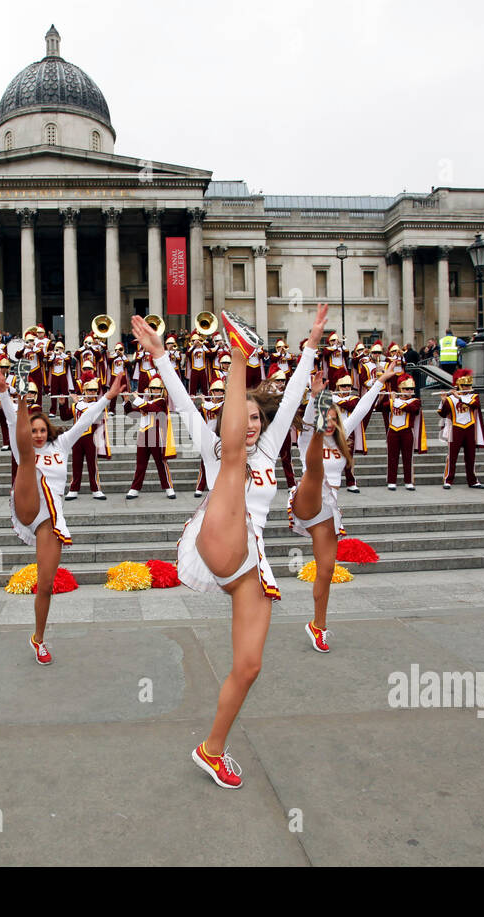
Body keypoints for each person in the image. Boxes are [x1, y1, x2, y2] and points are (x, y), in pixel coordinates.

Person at [132, 305, 324, 789]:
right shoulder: (216, 446)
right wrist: (159, 358)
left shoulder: (270, 446)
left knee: (249, 665)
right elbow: (180, 400)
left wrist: (312, 346)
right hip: (216, 535)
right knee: (233, 459)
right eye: (247, 416)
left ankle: (211, 748)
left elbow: (298, 389)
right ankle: (238, 354)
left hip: (250, 560)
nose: (253, 424)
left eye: (259, 417)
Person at [0, 358, 126, 665]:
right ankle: (21, 393)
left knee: (46, 584)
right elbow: (14, 423)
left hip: (50, 518)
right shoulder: (25, 443)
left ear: (47, 430)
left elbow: (84, 422)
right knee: (23, 454)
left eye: (40, 430)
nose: (36, 435)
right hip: (25, 501)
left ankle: (38, 638)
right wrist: (4, 393)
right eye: (32, 430)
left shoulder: (61, 445)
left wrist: (108, 397)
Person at [290, 360, 397, 652]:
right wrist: (314, 397)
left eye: (333, 418)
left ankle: (318, 626)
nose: (331, 422)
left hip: (329, 511)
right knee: (314, 471)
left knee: (325, 570)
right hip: (306, 498)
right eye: (325, 418)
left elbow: (361, 408)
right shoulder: (305, 437)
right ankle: (311, 483)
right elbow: (312, 420)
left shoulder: (341, 437)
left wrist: (380, 381)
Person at [125, 377, 176, 500]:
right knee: (140, 464)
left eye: (157, 388)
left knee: (161, 463)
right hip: (143, 434)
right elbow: (131, 413)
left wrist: (137, 398)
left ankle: (169, 487)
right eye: (153, 388)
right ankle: (135, 488)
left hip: (155, 435)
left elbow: (151, 409)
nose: (155, 390)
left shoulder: (161, 402)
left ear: (161, 390)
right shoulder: (145, 402)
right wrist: (127, 401)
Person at [438, 370, 484, 489]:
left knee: (471, 456)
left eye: (469, 385)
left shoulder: (474, 397)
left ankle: (473, 480)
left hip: (470, 427)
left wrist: (459, 397)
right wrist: (444, 400)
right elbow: (443, 414)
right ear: (459, 385)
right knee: (452, 455)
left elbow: (476, 406)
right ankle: (448, 480)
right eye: (465, 385)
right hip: (456, 428)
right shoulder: (451, 399)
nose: (468, 387)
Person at [379, 373, 426, 489]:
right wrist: (381, 398)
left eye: (411, 389)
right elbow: (379, 408)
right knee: (392, 457)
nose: (409, 391)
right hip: (393, 431)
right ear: (400, 388)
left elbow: (412, 409)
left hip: (407, 432)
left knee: (407, 457)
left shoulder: (415, 401)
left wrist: (395, 401)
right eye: (406, 389)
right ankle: (391, 481)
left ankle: (408, 481)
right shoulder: (392, 401)